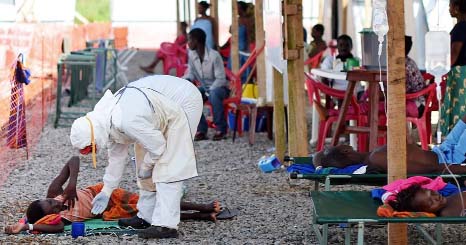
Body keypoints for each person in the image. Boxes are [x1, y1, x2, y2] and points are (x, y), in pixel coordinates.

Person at [68, 75, 203, 239]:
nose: (93, 151)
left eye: (91, 148)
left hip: (184, 101)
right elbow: (116, 159)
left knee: (168, 165)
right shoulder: (105, 122)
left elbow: (158, 146)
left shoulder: (126, 120)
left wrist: (148, 165)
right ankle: (146, 216)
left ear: (93, 137)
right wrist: (107, 190)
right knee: (143, 162)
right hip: (156, 110)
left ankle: (166, 225)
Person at [4, 156, 222, 234]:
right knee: (149, 213)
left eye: (52, 201)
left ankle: (203, 206)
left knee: (151, 200)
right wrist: (27, 226)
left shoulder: (54, 192)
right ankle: (201, 216)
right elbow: (57, 227)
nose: (56, 203)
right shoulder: (56, 219)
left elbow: (74, 160)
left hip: (102, 192)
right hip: (107, 212)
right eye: (53, 207)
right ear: (49, 215)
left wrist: (71, 186)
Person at [313, 114, 466, 174]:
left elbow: (317, 156)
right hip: (452, 159)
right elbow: (429, 169)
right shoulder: (377, 158)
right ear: (346, 151)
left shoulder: (373, 155)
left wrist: (319, 166)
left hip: (442, 150)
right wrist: (460, 170)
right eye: (335, 146)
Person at [183, 28, 229, 141]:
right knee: (191, 96)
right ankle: (202, 130)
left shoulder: (214, 56)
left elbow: (221, 79)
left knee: (213, 94)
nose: (188, 43)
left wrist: (210, 91)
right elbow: (191, 72)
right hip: (205, 88)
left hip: (220, 88)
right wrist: (186, 79)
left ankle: (221, 129)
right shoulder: (192, 55)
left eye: (189, 40)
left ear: (197, 41)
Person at [440, 0, 466, 135]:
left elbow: (454, 54)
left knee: (459, 110)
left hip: (461, 76)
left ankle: (457, 141)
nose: (449, 8)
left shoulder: (460, 27)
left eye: (450, 5)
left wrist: (440, 69)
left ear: (457, 7)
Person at [389, 183, 466, 217]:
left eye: (432, 192)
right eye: (431, 203)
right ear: (425, 211)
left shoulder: (449, 198)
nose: (436, 197)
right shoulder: (448, 214)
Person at [405, 35, 427, 117]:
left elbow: (400, 91)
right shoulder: (409, 61)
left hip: (416, 105)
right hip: (420, 103)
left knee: (385, 106)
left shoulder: (403, 65)